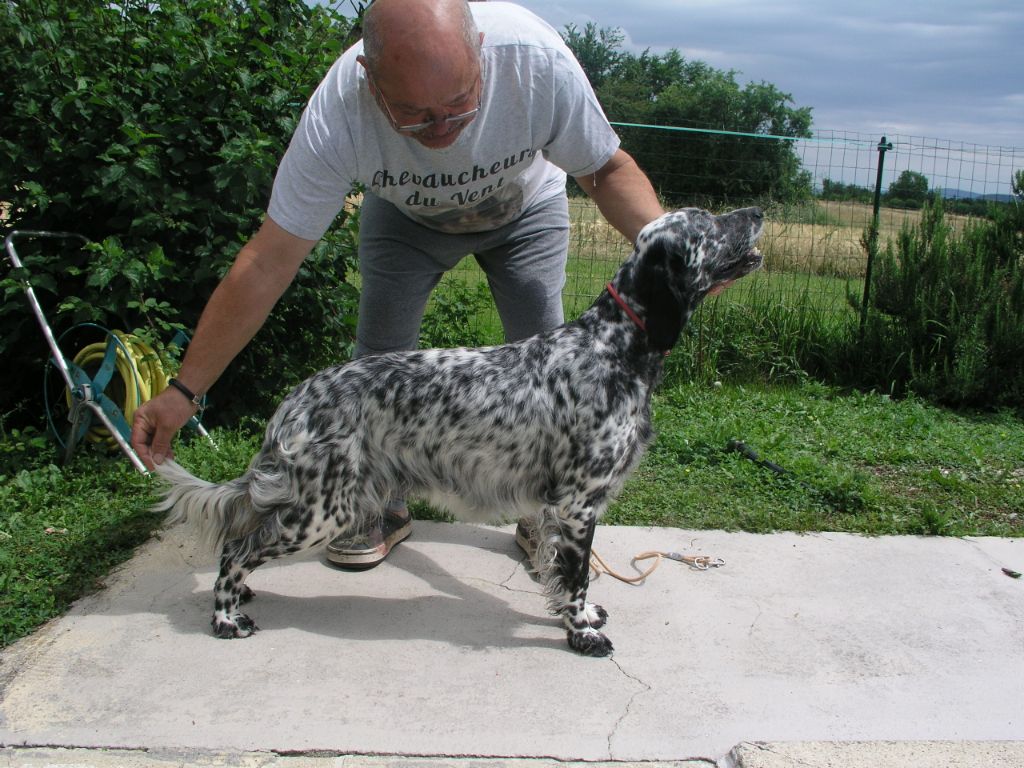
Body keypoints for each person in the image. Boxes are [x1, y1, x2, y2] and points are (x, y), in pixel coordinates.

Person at [131, 0, 664, 568]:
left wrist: (666, 254)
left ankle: (546, 515)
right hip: (405, 219)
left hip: (523, 207)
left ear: (481, 51)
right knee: (379, 361)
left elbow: (606, 170)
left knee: (548, 372)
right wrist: (184, 391)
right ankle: (375, 505)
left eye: (460, 103)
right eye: (413, 114)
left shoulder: (536, 63)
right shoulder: (338, 113)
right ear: (369, 77)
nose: (442, 129)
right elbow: (267, 261)